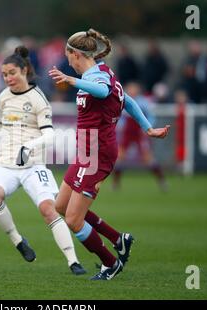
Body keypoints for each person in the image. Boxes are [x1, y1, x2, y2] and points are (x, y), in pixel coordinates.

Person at [48, 29, 170, 280]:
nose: (68, 63)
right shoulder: (102, 72)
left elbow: (103, 93)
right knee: (60, 205)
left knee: (73, 219)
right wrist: (147, 128)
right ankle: (118, 239)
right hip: (86, 153)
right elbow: (128, 101)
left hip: (97, 155)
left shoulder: (98, 78)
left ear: (75, 55)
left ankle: (110, 263)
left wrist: (71, 81)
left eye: (68, 57)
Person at [0, 46, 86, 275]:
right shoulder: (4, 96)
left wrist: (29, 147)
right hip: (5, 163)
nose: (8, 78)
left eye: (12, 73)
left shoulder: (38, 99)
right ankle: (18, 241)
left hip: (33, 166)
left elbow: (49, 134)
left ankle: (73, 261)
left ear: (24, 71)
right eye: (4, 74)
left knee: (49, 210)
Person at [113, 82, 167, 192]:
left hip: (139, 133)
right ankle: (115, 183)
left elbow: (151, 116)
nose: (132, 90)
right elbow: (120, 117)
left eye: (134, 88)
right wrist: (121, 126)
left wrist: (148, 128)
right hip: (128, 133)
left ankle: (161, 181)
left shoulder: (143, 102)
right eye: (130, 88)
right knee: (120, 157)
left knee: (148, 158)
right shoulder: (122, 100)